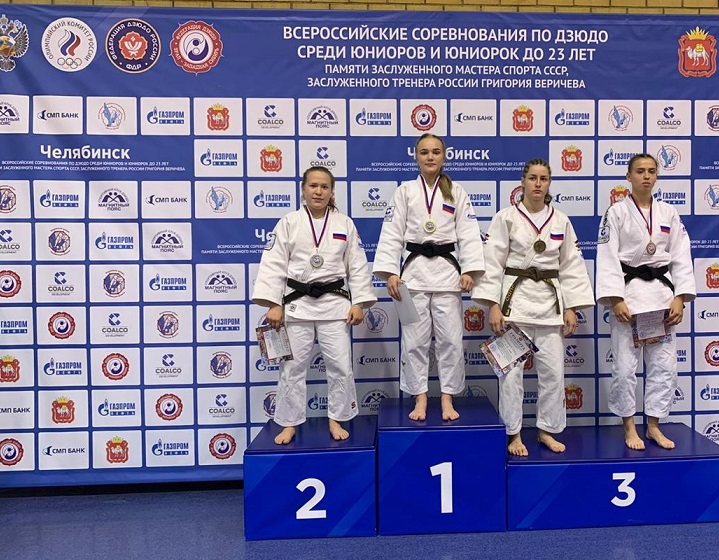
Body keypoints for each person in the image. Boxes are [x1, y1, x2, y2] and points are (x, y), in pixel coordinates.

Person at [473, 159, 595, 456]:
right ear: (523, 181)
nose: (538, 184)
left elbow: (570, 266)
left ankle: (546, 430)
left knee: (553, 374)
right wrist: (493, 306)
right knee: (511, 376)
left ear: (549, 183)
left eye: (543, 179)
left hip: (550, 306)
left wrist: (571, 307)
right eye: (532, 178)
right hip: (514, 304)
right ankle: (514, 433)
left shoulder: (560, 220)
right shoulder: (506, 217)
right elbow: (492, 263)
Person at [252, 166, 376, 444]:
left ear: (332, 192)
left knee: (340, 366)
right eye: (313, 186)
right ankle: (289, 422)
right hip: (297, 305)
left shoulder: (344, 224)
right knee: (292, 368)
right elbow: (273, 264)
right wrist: (273, 303)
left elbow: (357, 266)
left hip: (335, 305)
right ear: (303, 190)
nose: (318, 191)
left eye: (324, 187)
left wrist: (359, 303)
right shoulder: (289, 222)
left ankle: (337, 418)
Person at [373, 133, 485, 421]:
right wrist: (391, 272)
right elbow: (392, 233)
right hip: (413, 275)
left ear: (444, 156)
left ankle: (447, 397)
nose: (430, 156)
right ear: (416, 156)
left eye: (436, 151)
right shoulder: (405, 191)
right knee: (414, 342)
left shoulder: (456, 191)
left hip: (447, 275)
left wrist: (469, 269)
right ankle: (420, 397)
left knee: (451, 341)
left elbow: (469, 233)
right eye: (424, 152)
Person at [595, 153, 696, 450]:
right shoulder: (615, 212)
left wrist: (680, 297)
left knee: (664, 367)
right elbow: (607, 257)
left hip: (661, 300)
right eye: (640, 171)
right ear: (629, 176)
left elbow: (681, 256)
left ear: (657, 176)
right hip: (629, 298)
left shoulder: (668, 212)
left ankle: (653, 425)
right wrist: (615, 299)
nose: (646, 176)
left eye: (651, 171)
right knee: (625, 369)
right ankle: (629, 427)